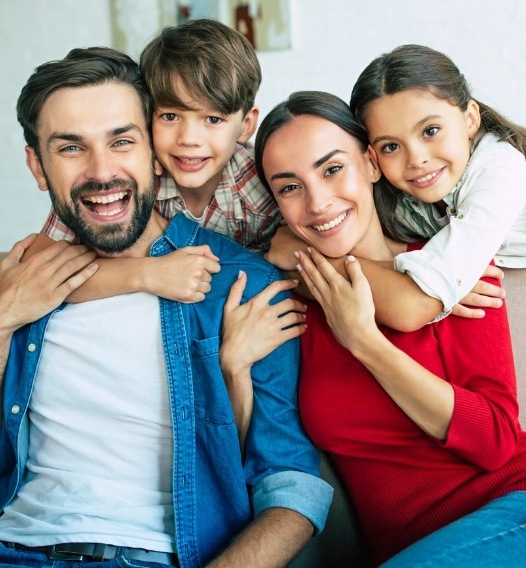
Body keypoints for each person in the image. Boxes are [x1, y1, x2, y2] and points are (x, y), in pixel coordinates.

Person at [0, 49, 333, 568]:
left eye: (122, 141)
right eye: (70, 148)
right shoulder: (24, 283)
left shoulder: (243, 286)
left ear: (154, 152)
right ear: (37, 166)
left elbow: (291, 486)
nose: (102, 171)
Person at [227, 90, 526, 566]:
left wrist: (366, 342)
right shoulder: (293, 301)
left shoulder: (448, 270)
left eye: (332, 169)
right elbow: (255, 456)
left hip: (510, 512)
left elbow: (496, 442)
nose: (318, 202)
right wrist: (233, 368)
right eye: (290, 187)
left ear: (369, 163)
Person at [28, 18, 281, 304]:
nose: (188, 138)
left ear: (246, 126)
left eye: (212, 119)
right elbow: (38, 271)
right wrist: (146, 273)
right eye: (170, 116)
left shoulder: (259, 182)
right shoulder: (128, 181)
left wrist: (287, 245)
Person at [349, 44, 526, 320]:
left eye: (430, 131)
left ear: (470, 119)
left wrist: (442, 284)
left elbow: (418, 299)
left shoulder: (501, 170)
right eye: (391, 147)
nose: (416, 159)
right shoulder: (404, 192)